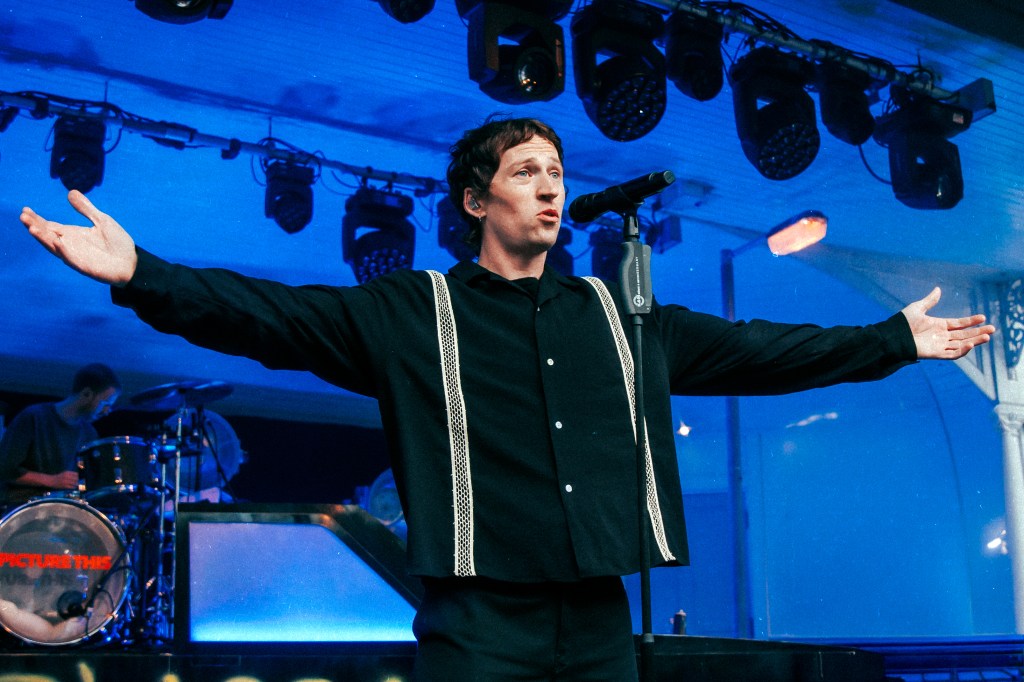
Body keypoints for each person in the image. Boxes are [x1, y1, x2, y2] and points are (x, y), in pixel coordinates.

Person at [19, 117, 993, 680]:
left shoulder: (620, 319)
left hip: (598, 616)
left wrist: (892, 340)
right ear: (477, 200)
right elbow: (268, 314)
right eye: (527, 172)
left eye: (557, 173)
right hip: (479, 623)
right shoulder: (415, 311)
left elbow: (762, 351)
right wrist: (141, 273)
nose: (550, 188)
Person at [0, 363, 120, 509]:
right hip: (22, 508)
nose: (107, 411)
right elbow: (5, 470)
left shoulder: (89, 433)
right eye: (105, 403)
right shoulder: (34, 417)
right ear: (86, 393)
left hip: (60, 511)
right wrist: (52, 480)